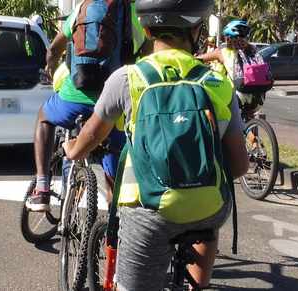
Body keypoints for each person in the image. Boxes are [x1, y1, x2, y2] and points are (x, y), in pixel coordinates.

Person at [64, 0, 248, 289]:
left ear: (147, 30)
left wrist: (73, 150)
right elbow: (238, 166)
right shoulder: (218, 84)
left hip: (149, 213)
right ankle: (198, 285)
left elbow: (92, 135)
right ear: (197, 30)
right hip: (207, 208)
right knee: (208, 210)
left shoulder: (126, 79)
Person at [27, 2, 143, 212]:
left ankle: (42, 188)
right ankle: (113, 228)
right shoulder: (132, 12)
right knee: (114, 164)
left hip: (75, 96)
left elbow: (54, 49)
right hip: (114, 100)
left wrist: (50, 67)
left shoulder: (84, 7)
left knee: (44, 116)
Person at [198, 20, 263, 120]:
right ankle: (251, 131)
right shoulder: (253, 49)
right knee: (247, 122)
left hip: (238, 95)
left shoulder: (222, 51)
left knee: (213, 110)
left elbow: (201, 59)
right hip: (258, 96)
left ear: (228, 37)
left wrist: (192, 58)